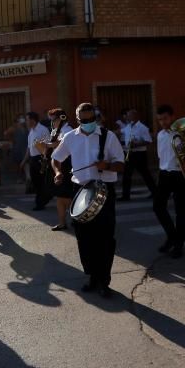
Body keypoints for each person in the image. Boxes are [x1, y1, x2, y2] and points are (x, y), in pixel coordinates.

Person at [52, 102, 125, 298]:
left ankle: (104, 280)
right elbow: (56, 157)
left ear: (96, 118)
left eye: (92, 119)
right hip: (80, 190)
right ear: (78, 120)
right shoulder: (70, 137)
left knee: (105, 238)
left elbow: (121, 164)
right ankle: (92, 276)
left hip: (103, 190)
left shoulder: (107, 137)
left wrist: (107, 165)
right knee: (84, 238)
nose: (89, 123)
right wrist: (58, 172)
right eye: (84, 121)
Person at [153, 104, 185, 258]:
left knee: (180, 211)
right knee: (158, 207)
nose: (163, 122)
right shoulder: (160, 135)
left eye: (165, 118)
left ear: (172, 117)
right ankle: (172, 237)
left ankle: (178, 245)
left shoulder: (184, 133)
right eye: (160, 119)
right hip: (164, 174)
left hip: (179, 175)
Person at [40, 107, 74, 230]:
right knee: (59, 196)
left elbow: (62, 144)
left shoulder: (68, 130)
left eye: (53, 119)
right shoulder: (55, 131)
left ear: (61, 119)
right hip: (56, 164)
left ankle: (77, 220)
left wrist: (48, 144)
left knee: (67, 196)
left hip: (66, 165)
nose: (52, 122)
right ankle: (62, 222)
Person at [120, 109, 156, 201]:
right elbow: (120, 131)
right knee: (127, 175)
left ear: (135, 116)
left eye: (129, 115)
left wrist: (136, 144)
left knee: (145, 174)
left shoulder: (142, 128)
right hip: (130, 154)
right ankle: (125, 195)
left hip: (140, 154)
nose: (127, 117)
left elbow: (148, 141)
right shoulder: (128, 126)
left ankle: (155, 192)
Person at [25, 112, 50, 209]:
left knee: (40, 181)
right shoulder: (31, 131)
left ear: (32, 120)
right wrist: (24, 161)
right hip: (33, 159)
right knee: (35, 181)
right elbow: (29, 148)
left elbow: (47, 146)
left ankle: (40, 203)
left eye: (27, 120)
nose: (26, 122)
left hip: (41, 158)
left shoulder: (42, 130)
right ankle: (42, 199)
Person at [5, 114, 29, 184]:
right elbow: (6, 133)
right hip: (17, 149)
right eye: (20, 120)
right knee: (18, 164)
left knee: (26, 163)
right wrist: (11, 140)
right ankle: (20, 178)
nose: (22, 122)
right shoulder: (14, 129)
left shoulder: (27, 129)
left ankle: (27, 178)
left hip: (25, 149)